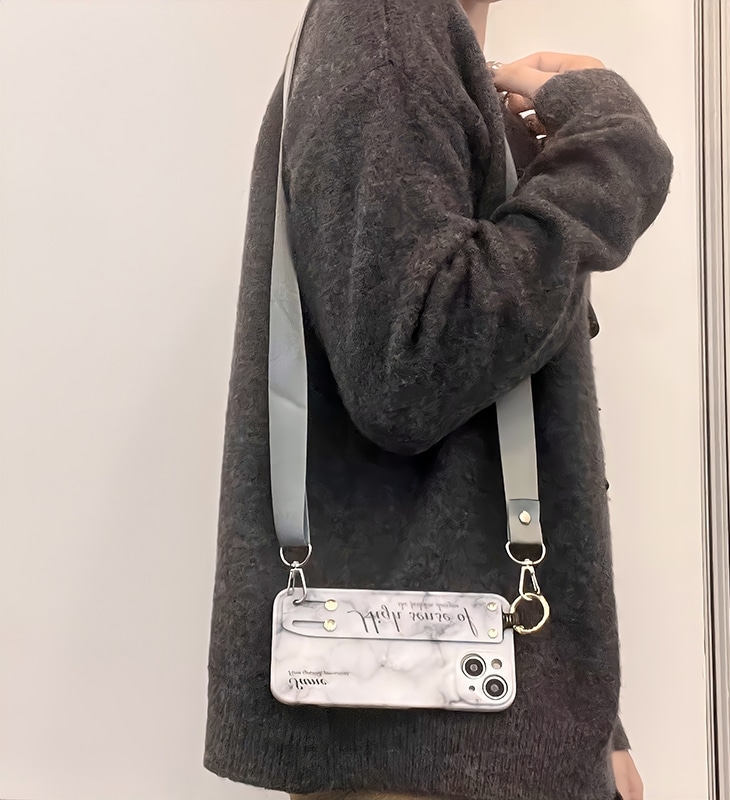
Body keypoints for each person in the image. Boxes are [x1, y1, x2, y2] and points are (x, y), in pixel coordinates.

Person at [204, 0, 672, 799]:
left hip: (462, 729)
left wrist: (595, 722)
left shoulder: (409, 42)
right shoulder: (388, 27)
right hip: (434, 749)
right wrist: (612, 146)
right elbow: (412, 370)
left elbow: (503, 394)